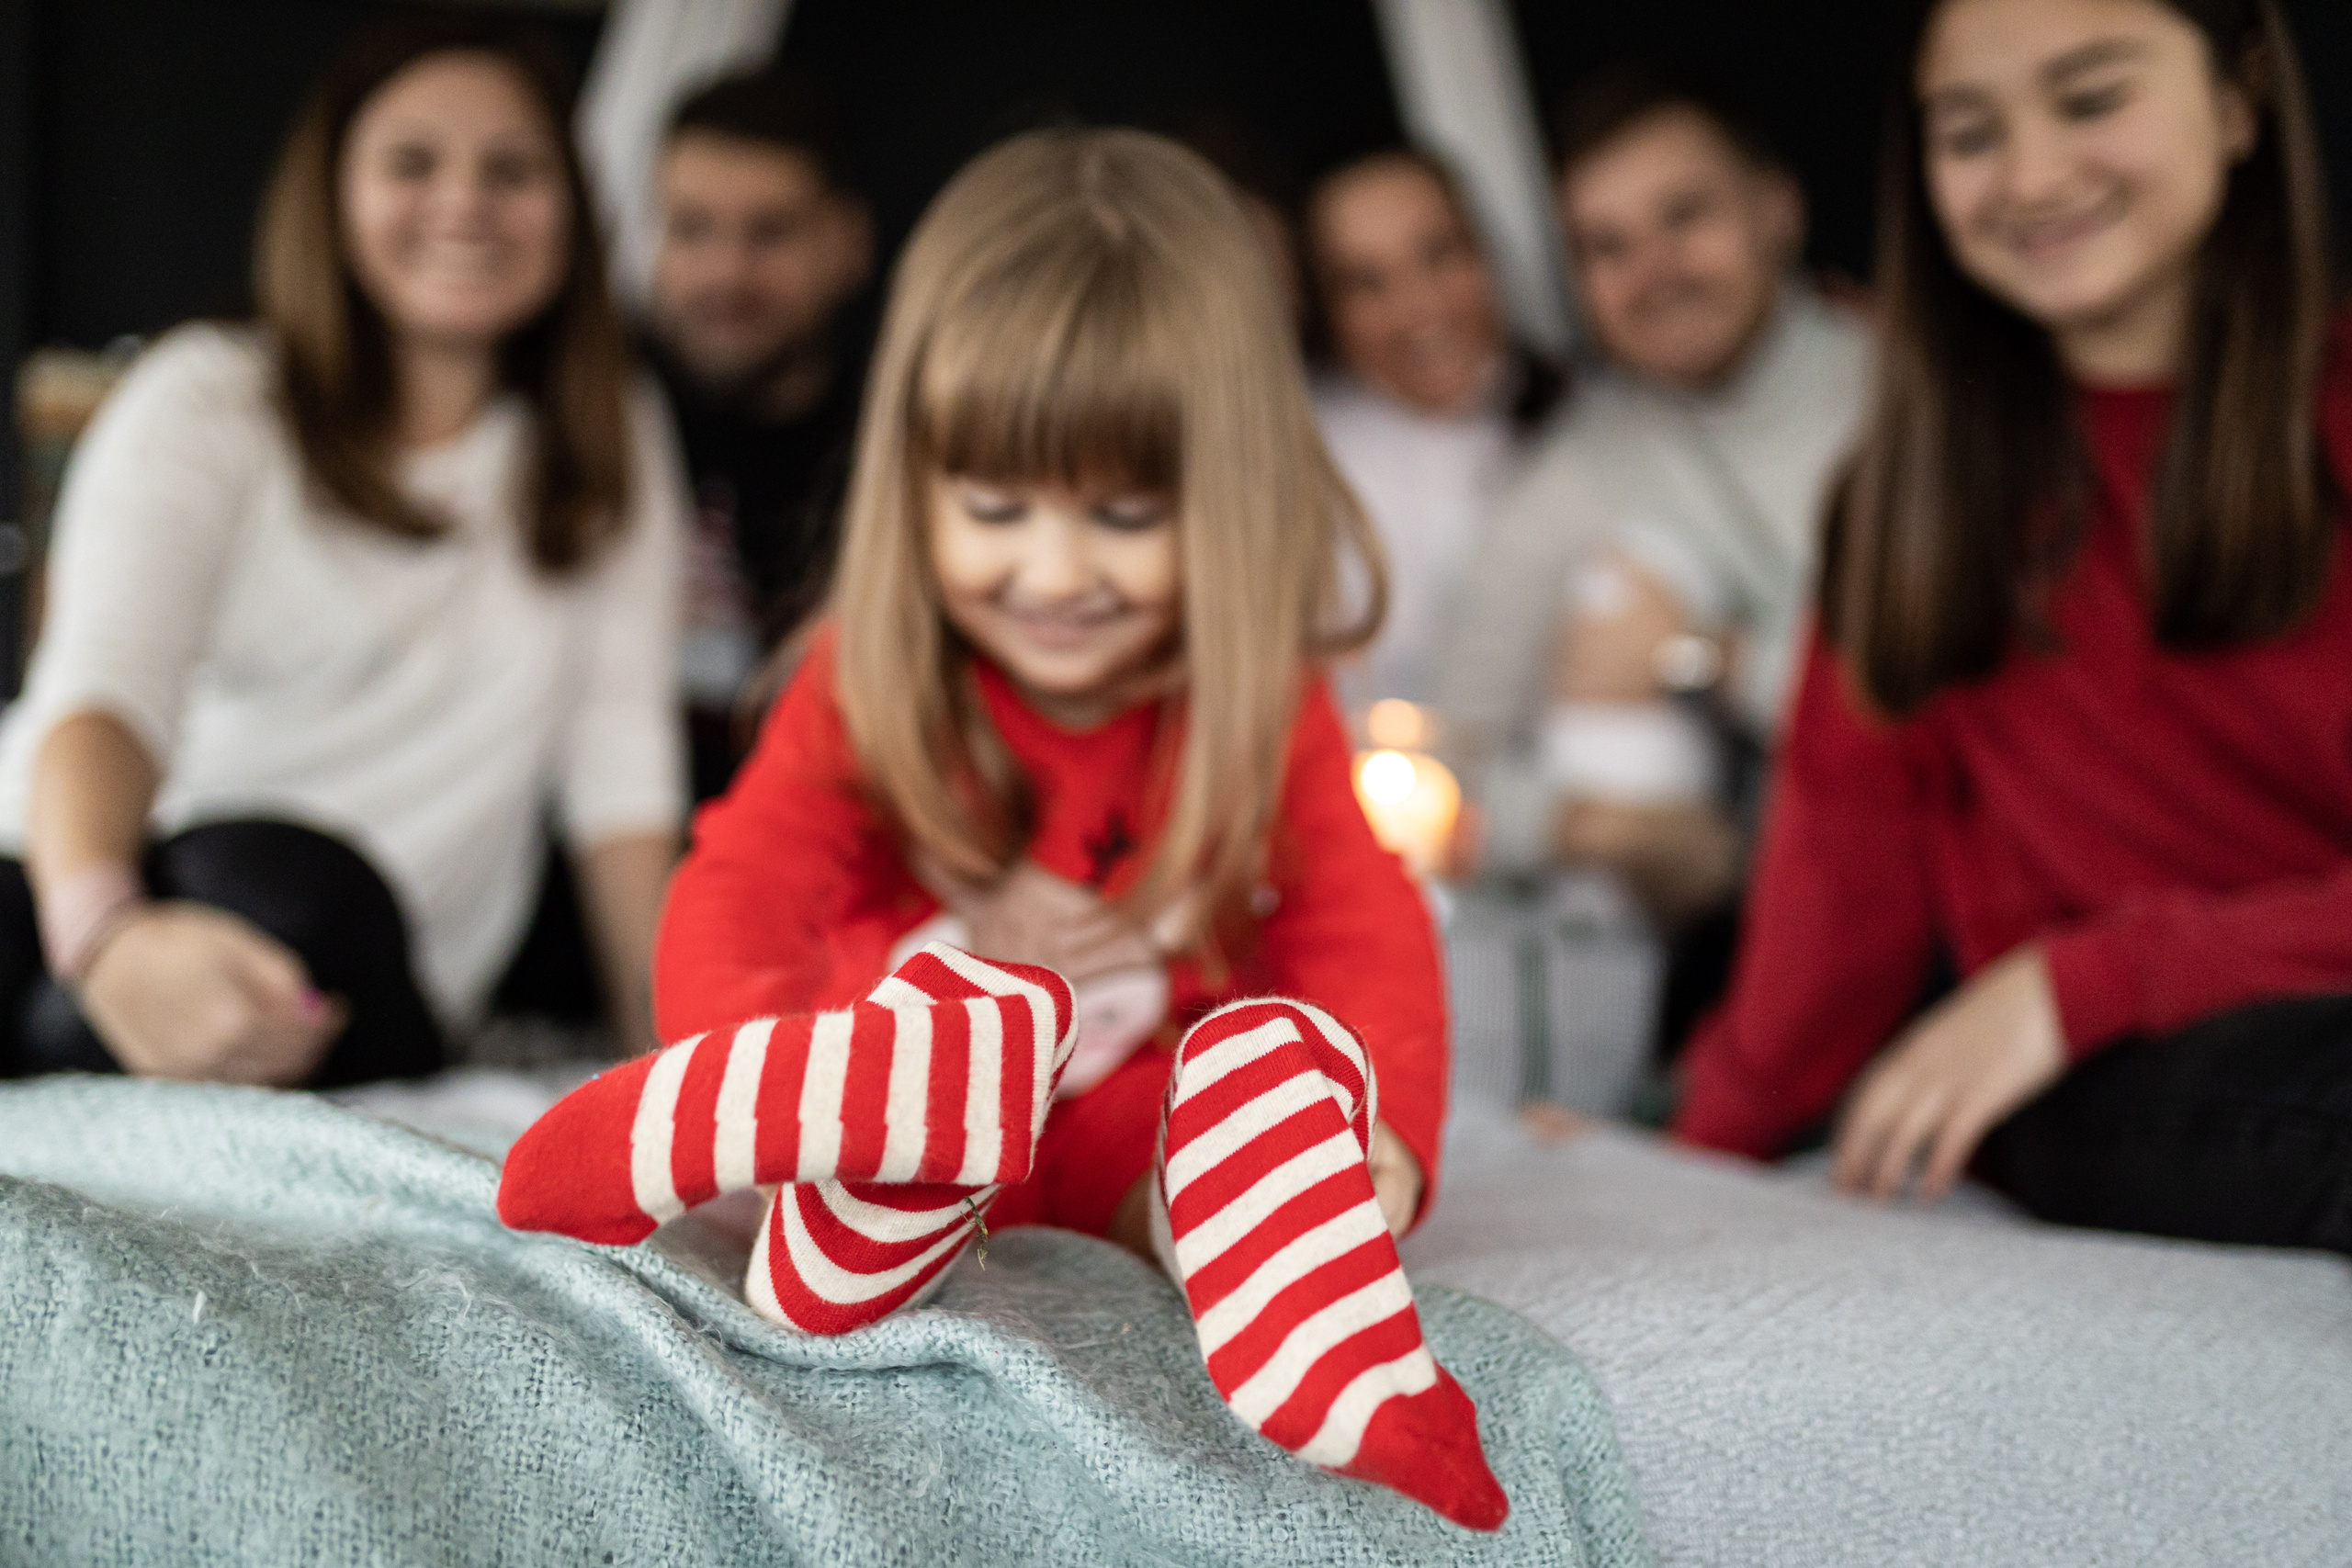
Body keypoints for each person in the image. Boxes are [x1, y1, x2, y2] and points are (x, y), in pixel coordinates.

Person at [1673, 0, 2352, 1256]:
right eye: (1970, 132)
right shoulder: (1908, 500)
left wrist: (2089, 972)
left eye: (2093, 99)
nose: (2032, 175)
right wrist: (1680, 1168)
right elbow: (1835, 902)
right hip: (2102, 1073)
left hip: (2115, 997)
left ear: (2240, 96)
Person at [0, 17, 684, 1086]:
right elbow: (102, 689)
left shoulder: (609, 434)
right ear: (332, 193)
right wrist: (105, 935)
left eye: (513, 169)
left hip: (356, 963)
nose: (464, 203)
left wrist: (679, 1066)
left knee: (297, 885)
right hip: (96, 904)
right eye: (412, 162)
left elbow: (619, 773)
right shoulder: (210, 394)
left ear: (574, 207)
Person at [1442, 71, 1871, 942]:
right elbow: (1435, 773)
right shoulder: (1572, 474)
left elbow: (1946, 710)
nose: (1653, 273)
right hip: (1756, 946)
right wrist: (1595, 829)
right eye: (1607, 246)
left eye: (1685, 217)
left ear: (1777, 211)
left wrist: (1697, 657)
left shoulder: (1917, 399)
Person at [643, 73, 874, 799]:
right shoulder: (591, 421)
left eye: (770, 233)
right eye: (692, 228)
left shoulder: (905, 455)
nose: (726, 274)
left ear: (848, 244)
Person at [1304, 149, 1562, 716]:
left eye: (1438, 255)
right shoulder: (1301, 474)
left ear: (1488, 255)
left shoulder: (1585, 423)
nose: (1416, 307)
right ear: (1329, 311)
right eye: (1366, 282)